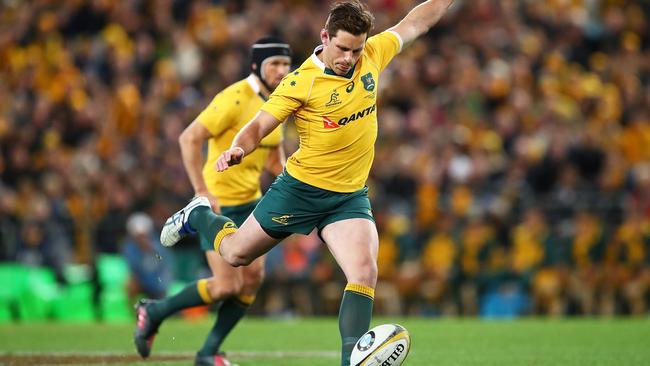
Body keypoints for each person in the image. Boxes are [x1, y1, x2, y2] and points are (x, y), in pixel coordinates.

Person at [160, 1, 453, 365]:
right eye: (342, 48)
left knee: (364, 271)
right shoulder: (300, 81)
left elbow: (416, 22)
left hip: (348, 197)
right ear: (325, 37)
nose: (349, 57)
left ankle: (350, 360)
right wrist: (237, 149)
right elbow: (258, 126)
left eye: (355, 49)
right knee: (235, 254)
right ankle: (198, 214)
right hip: (298, 192)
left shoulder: (373, 54)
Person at [134, 37, 292, 366]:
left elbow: (275, 160)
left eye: (285, 64)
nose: (281, 70)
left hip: (253, 203)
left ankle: (208, 352)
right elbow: (189, 137)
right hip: (219, 205)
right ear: (256, 66)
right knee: (226, 286)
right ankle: (155, 311)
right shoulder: (235, 97)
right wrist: (201, 191)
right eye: (274, 64)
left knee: (252, 280)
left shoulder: (279, 102)